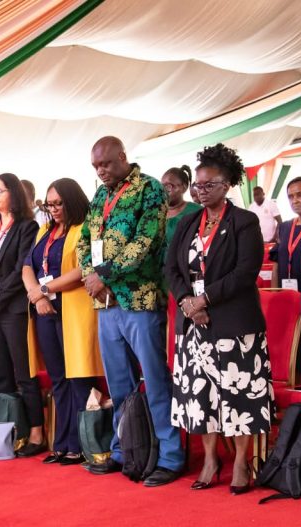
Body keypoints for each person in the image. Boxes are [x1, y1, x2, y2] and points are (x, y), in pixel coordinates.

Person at [77, 136, 184, 487]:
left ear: (123, 157)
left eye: (106, 163)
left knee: (155, 380)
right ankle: (125, 450)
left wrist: (105, 275)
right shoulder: (99, 196)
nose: (101, 170)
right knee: (119, 384)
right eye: (96, 166)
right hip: (105, 302)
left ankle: (170, 456)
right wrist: (92, 276)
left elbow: (145, 242)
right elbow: (84, 241)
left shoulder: (149, 189)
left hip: (140, 299)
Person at [167, 144, 273, 495]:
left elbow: (246, 271)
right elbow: (171, 269)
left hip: (234, 325)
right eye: (198, 185)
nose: (201, 190)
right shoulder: (187, 223)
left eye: (209, 185)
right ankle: (211, 459)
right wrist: (187, 302)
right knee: (201, 395)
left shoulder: (244, 221)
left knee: (239, 395)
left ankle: (241, 461)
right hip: (193, 325)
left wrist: (205, 299)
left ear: (227, 185)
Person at [23, 178, 101, 465]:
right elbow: (27, 266)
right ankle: (62, 443)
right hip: (45, 309)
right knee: (58, 379)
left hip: (74, 309)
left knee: (78, 376)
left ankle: (83, 444)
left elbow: (83, 270)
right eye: (49, 204)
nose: (53, 209)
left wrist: (44, 289)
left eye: (59, 203)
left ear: (72, 201)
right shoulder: (44, 230)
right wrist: (37, 296)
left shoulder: (85, 228)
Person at [0, 173, 45, 456]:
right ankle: (11, 431)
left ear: (14, 193)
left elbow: (21, 270)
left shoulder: (28, 226)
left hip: (12, 308)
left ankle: (37, 432)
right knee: (1, 373)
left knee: (24, 373)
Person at [270, 176, 301, 384]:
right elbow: (277, 261)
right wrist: (275, 293)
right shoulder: (285, 227)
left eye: (300, 195)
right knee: (289, 343)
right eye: (290, 196)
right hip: (287, 295)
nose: (295, 200)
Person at [162, 165, 203, 273]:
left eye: (169, 186)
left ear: (184, 188)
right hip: (160, 273)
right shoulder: (155, 213)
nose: (164, 191)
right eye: (162, 187)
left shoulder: (197, 211)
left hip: (186, 272)